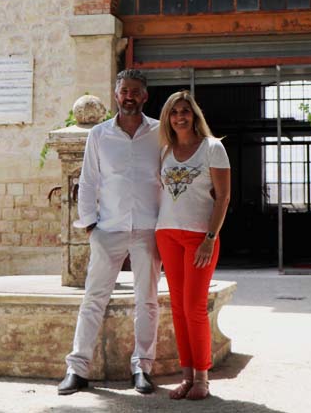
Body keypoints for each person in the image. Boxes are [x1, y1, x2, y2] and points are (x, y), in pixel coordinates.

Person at [59, 69, 162, 396]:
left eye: (135, 91)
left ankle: (142, 367)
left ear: (144, 96)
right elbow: (87, 182)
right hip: (109, 228)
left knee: (147, 301)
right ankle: (77, 369)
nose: (129, 96)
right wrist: (91, 225)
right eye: (123, 91)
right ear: (116, 95)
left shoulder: (160, 133)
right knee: (93, 299)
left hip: (148, 229)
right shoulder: (99, 135)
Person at [155, 90, 231, 401]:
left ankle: (203, 378)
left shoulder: (213, 148)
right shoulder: (164, 151)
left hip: (200, 237)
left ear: (194, 114)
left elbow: (223, 197)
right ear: (168, 119)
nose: (180, 117)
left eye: (185, 111)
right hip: (167, 234)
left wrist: (209, 239)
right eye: (174, 112)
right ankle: (186, 377)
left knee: (194, 308)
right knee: (177, 308)